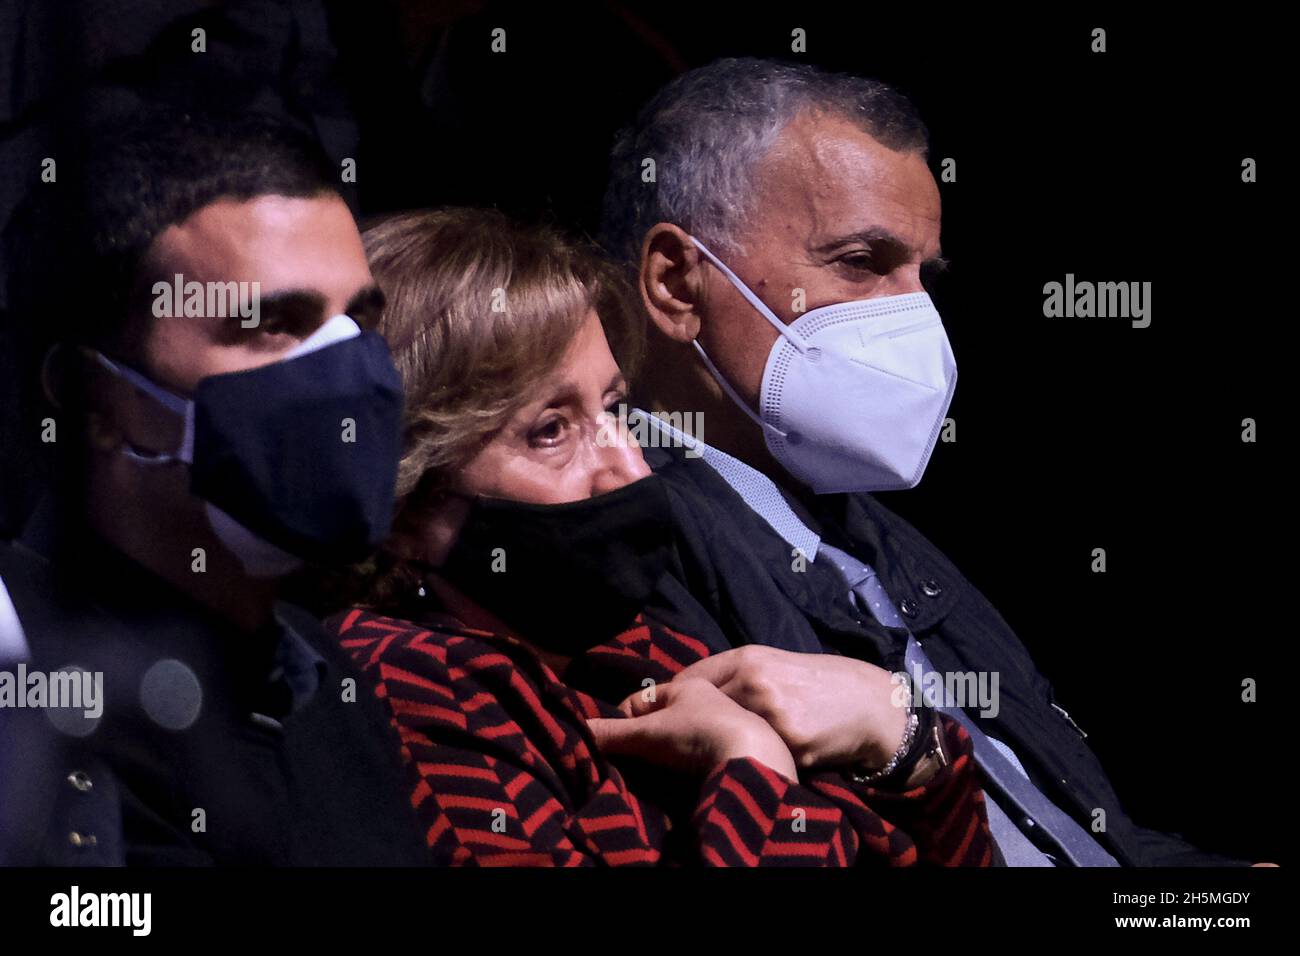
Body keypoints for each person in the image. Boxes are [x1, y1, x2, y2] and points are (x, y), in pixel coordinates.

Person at [597, 57, 1271, 867]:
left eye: (923, 277)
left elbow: (1073, 838)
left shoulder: (877, 537)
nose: (914, 318)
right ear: (677, 283)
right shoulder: (620, 545)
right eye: (859, 262)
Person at [318, 207, 995, 866]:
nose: (629, 464)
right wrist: (752, 765)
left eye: (613, 408)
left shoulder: (637, 647)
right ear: (404, 503)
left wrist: (903, 738)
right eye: (550, 431)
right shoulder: (408, 686)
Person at [0, 108, 429, 865]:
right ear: (93, 398)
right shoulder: (30, 692)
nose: (348, 373)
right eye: (271, 324)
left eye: (359, 323)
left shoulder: (325, 681)